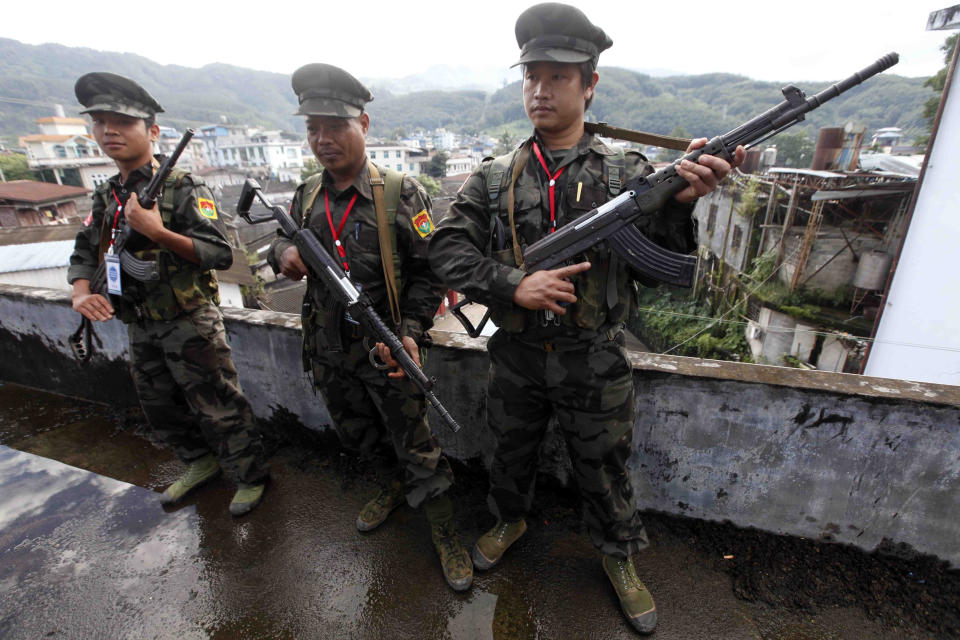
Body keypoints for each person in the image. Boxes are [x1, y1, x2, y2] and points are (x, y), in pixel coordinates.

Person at [429, 3, 744, 633]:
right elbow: (445, 249)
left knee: (602, 463)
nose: (540, 89)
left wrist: (680, 205)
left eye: (559, 76)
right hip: (515, 356)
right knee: (508, 450)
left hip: (594, 357)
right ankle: (509, 518)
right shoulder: (493, 179)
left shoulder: (629, 176)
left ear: (590, 84)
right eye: (531, 76)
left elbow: (665, 271)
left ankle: (618, 553)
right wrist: (514, 284)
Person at [267, 63, 472, 591]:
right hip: (329, 350)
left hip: (386, 348)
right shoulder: (306, 193)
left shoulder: (400, 193)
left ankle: (445, 530)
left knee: (417, 447)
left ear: (363, 124)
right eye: (312, 128)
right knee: (357, 432)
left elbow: (430, 272)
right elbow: (274, 243)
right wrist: (284, 253)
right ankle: (389, 488)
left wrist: (411, 330)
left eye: (334, 127)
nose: (322, 139)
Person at [67, 72, 269, 516]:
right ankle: (200, 463)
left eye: (122, 122)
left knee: (218, 402)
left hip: (189, 319)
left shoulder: (183, 188)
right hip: (140, 320)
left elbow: (219, 252)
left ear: (152, 132)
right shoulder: (108, 194)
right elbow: (85, 250)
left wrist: (158, 233)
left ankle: (251, 475)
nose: (109, 131)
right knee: (159, 404)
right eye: (100, 122)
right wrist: (82, 292)